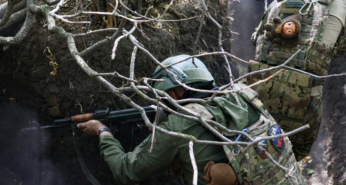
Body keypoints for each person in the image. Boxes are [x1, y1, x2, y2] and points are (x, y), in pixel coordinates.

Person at [78, 54, 304, 185]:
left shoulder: (180, 125)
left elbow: (127, 171)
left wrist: (102, 132)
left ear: (174, 92)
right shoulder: (242, 93)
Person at [248, 0, 346, 160]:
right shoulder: (345, 7)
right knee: (293, 155)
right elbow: (339, 50)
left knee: (251, 148)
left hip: (257, 92)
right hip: (304, 100)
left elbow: (255, 39)